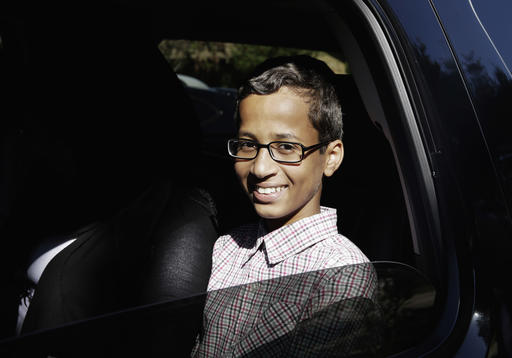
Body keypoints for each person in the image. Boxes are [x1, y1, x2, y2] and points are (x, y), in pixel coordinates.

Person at [192, 55, 379, 357]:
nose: (259, 168)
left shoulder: (340, 274)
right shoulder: (226, 246)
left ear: (330, 157)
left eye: (287, 147)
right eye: (247, 145)